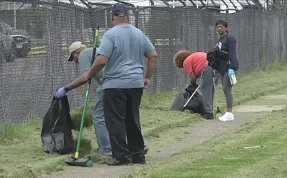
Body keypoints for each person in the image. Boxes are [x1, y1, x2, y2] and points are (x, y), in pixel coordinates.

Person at [55, 3, 157, 166]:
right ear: (127, 16)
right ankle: (138, 156)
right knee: (132, 119)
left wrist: (89, 73)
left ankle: (121, 157)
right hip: (136, 84)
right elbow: (152, 55)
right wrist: (147, 77)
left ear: (112, 17)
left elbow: (102, 60)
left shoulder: (111, 34)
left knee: (114, 120)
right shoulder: (139, 33)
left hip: (115, 84)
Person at [58, 41, 112, 157]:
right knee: (118, 116)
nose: (75, 62)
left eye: (73, 58)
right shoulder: (96, 51)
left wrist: (66, 88)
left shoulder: (83, 55)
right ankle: (137, 144)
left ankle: (106, 150)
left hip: (108, 84)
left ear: (76, 52)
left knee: (98, 117)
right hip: (121, 82)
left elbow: (84, 77)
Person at [173, 50, 216, 120]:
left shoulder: (186, 61)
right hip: (215, 67)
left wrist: (192, 83)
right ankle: (209, 109)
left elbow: (193, 77)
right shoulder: (194, 56)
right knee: (210, 89)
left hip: (207, 68)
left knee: (205, 89)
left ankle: (208, 113)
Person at [213, 19, 239, 122]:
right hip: (222, 68)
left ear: (226, 28)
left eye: (221, 26)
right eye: (217, 27)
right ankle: (229, 113)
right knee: (224, 88)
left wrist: (232, 68)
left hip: (229, 67)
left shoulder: (230, 39)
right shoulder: (219, 40)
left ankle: (229, 113)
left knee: (226, 89)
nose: (219, 28)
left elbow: (232, 54)